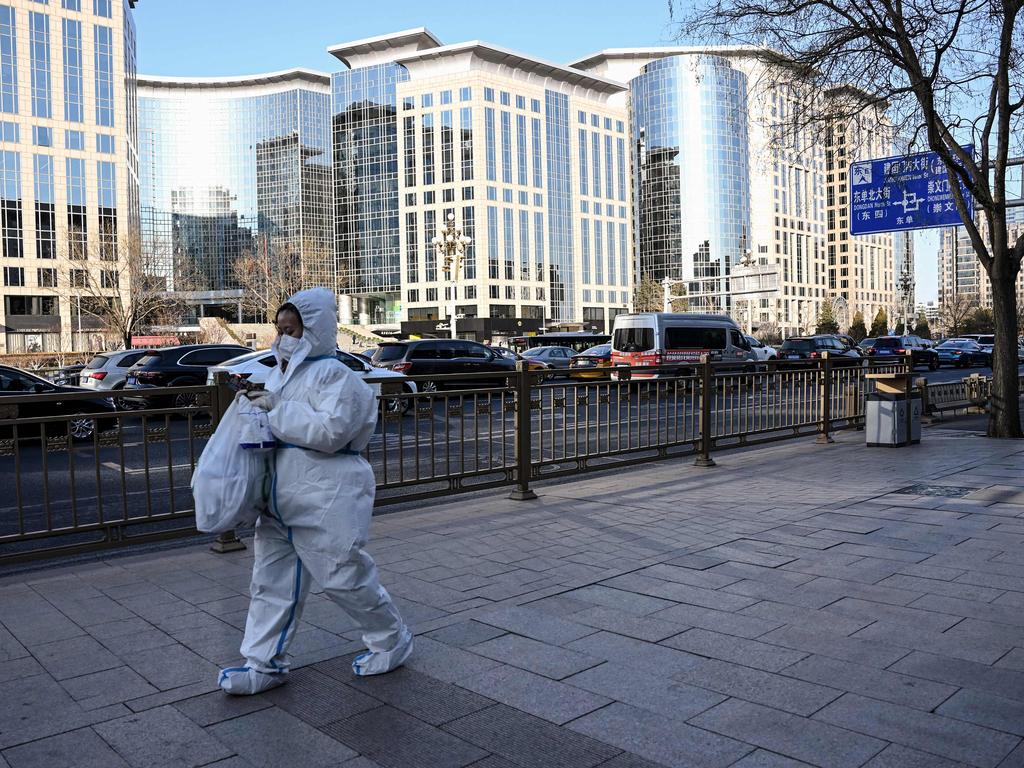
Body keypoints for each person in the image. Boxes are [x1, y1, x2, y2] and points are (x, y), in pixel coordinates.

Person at [218, 287, 412, 696]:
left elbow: (330, 433)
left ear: (316, 330)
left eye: (292, 329)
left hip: (327, 497)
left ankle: (391, 641)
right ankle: (263, 663)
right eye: (280, 329)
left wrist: (273, 409)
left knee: (345, 577)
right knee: (269, 584)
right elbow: (274, 421)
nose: (283, 337)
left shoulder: (339, 377)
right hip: (280, 501)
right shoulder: (278, 374)